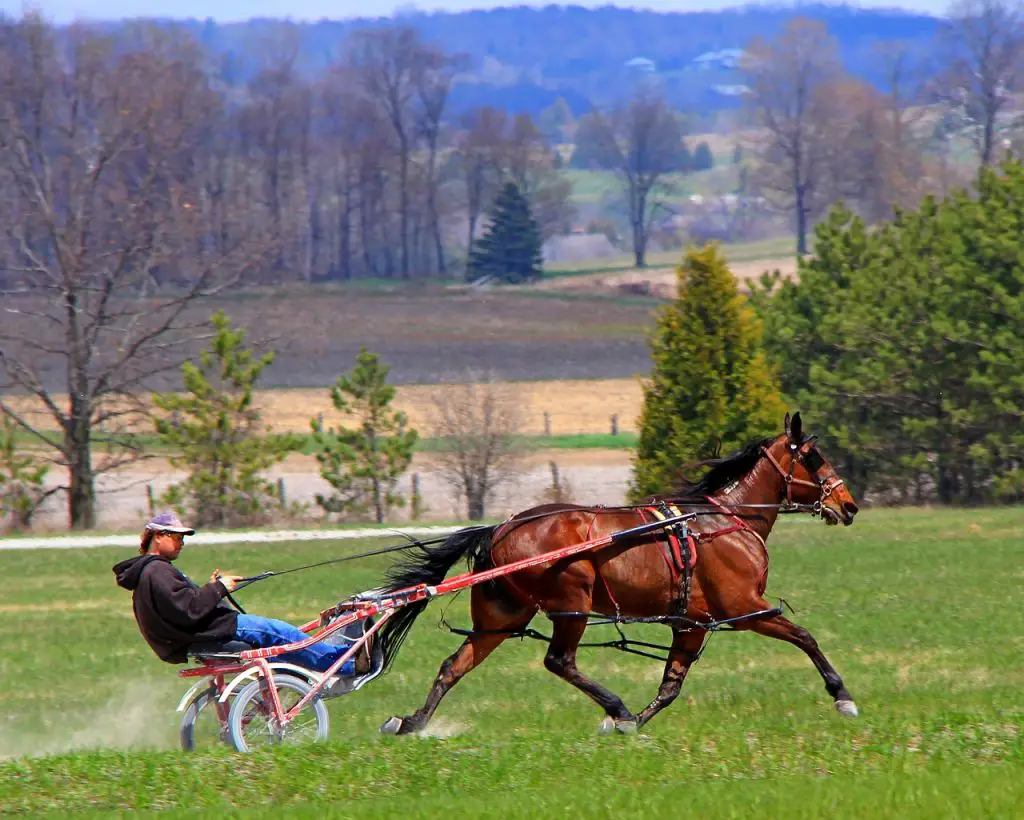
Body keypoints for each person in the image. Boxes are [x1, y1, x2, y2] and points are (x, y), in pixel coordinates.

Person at [113, 512, 362, 675]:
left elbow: (182, 604)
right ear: (158, 536)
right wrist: (219, 587)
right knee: (279, 633)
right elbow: (189, 610)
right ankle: (346, 664)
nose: (182, 543)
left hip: (196, 634)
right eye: (177, 538)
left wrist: (210, 589)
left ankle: (332, 658)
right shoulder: (157, 571)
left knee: (282, 637)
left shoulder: (149, 572)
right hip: (215, 629)